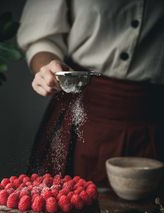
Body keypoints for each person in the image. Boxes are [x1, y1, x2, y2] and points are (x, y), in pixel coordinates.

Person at [17, 0, 164, 184]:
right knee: (65, 205)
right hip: (81, 114)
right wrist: (48, 68)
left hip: (154, 121)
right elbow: (42, 37)